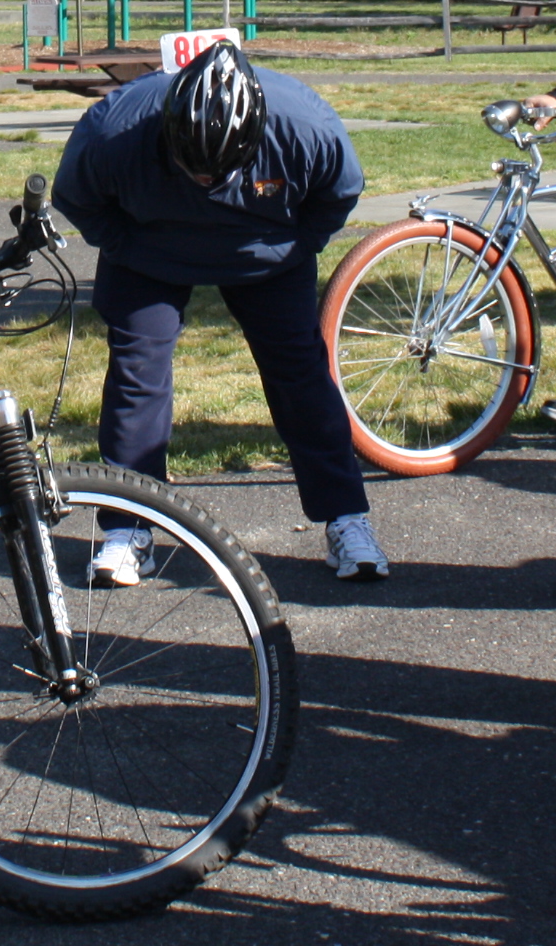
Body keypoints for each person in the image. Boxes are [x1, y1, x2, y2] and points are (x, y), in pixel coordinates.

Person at [50, 39, 385, 584]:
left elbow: (337, 197)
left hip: (267, 253)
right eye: (192, 168)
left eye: (219, 171)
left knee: (300, 374)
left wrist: (293, 250)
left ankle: (346, 518)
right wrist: (129, 249)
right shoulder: (113, 130)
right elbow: (77, 199)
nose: (205, 182)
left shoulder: (306, 126)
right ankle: (129, 528)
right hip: (150, 252)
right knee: (137, 374)